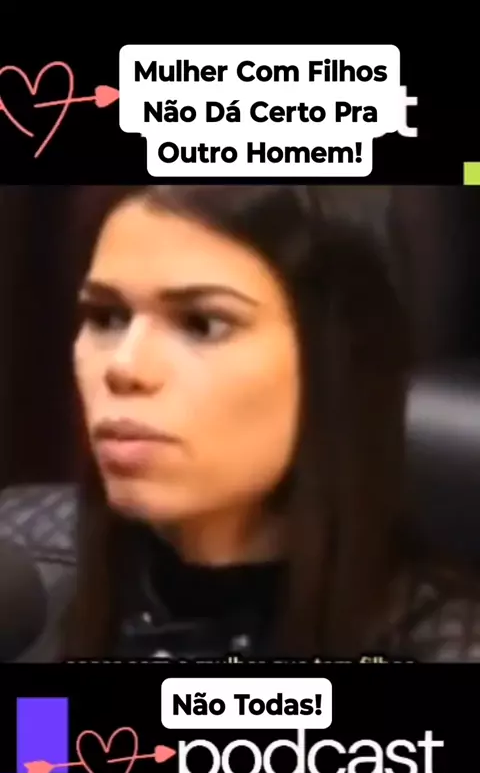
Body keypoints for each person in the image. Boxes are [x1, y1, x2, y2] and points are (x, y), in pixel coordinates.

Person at [1, 184, 479, 663]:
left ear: (336, 365)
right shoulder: (20, 567)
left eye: (201, 324)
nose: (124, 367)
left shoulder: (447, 646)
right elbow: (42, 720)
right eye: (107, 317)